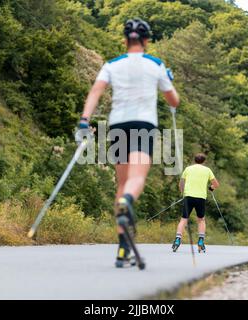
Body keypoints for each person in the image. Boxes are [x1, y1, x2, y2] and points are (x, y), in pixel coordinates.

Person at [76, 18, 180, 268]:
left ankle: (123, 250)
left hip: (118, 126)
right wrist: (168, 79)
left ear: (125, 40)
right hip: (144, 125)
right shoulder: (156, 65)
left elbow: (95, 92)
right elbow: (174, 101)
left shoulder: (112, 65)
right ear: (146, 41)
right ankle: (128, 203)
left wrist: (84, 119)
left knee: (122, 183)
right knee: (137, 179)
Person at [172, 153, 219, 253]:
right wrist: (211, 188)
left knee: (184, 219)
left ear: (194, 160)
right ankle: (201, 241)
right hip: (200, 198)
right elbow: (216, 184)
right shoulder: (207, 170)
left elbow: (181, 183)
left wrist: (183, 193)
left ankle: (177, 239)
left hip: (188, 197)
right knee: (201, 220)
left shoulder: (188, 169)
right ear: (204, 161)